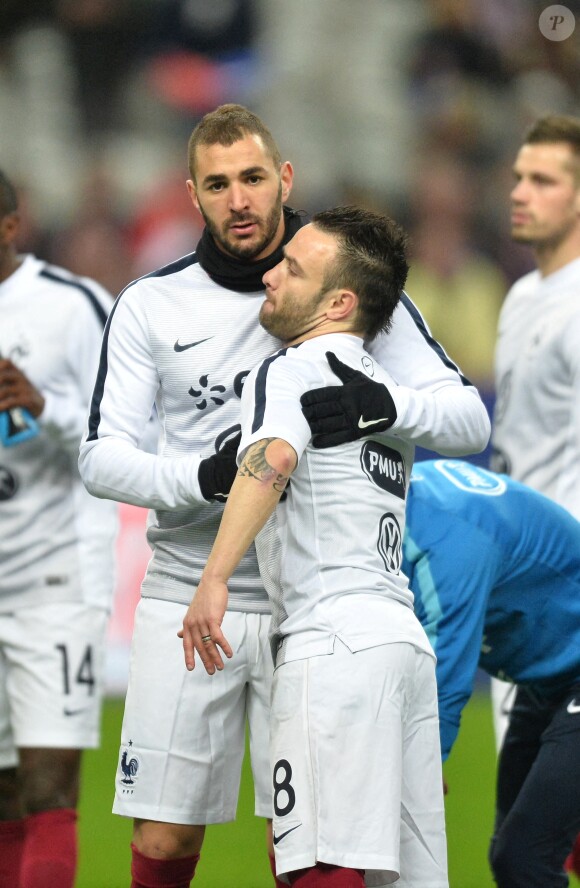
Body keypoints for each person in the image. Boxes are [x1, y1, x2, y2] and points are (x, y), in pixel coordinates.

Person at [78, 104, 489, 888]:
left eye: (255, 179)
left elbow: (466, 416)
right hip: (189, 592)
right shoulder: (151, 305)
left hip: (306, 608)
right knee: (163, 842)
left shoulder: (344, 283)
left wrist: (390, 407)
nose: (240, 200)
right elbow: (102, 460)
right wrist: (200, 478)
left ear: (285, 178)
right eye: (219, 184)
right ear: (191, 194)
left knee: (302, 839)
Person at [181, 206, 449, 888]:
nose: (270, 275)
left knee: (318, 866)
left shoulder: (294, 367)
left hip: (331, 644)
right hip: (403, 648)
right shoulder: (384, 394)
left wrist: (214, 577)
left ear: (338, 302)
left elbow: (270, 458)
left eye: (292, 269)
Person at [0, 170, 117, 888]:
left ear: (10, 227)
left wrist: (44, 407)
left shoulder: (72, 307)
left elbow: (124, 437)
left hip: (55, 579)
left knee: (47, 783)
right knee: (4, 792)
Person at [402, 458, 580, 888]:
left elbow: (446, 680)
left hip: (564, 671)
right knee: (514, 859)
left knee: (524, 858)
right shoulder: (412, 495)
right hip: (547, 678)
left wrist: (415, 772)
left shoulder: (447, 540)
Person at [490, 113, 580, 879]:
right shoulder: (521, 297)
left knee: (526, 849)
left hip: (572, 595)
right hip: (530, 605)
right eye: (519, 176)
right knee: (521, 846)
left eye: (544, 179)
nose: (520, 192)